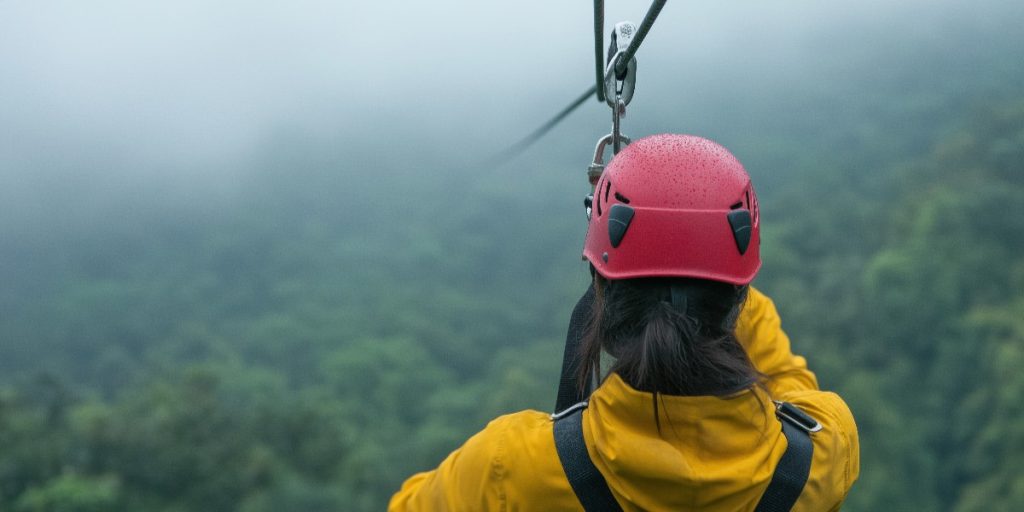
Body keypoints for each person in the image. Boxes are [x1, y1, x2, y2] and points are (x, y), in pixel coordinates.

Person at [389, 134, 859, 511]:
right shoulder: (821, 455)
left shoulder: (513, 467)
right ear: (737, 297)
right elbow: (788, 379)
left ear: (602, 289)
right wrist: (705, 247)